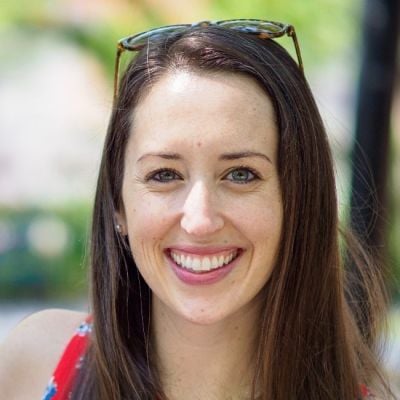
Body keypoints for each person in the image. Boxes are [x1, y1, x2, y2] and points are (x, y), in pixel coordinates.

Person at [0, 20, 394, 400]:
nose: (200, 220)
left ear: (297, 202)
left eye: (241, 174)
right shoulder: (36, 363)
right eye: (164, 174)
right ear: (117, 205)